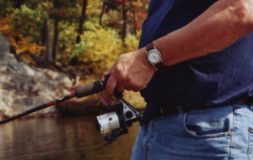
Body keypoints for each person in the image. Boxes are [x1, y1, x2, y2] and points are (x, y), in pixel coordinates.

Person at [99, 0, 253, 159]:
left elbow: (240, 11)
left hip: (209, 132)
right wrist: (127, 70)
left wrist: (148, 60)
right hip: (154, 130)